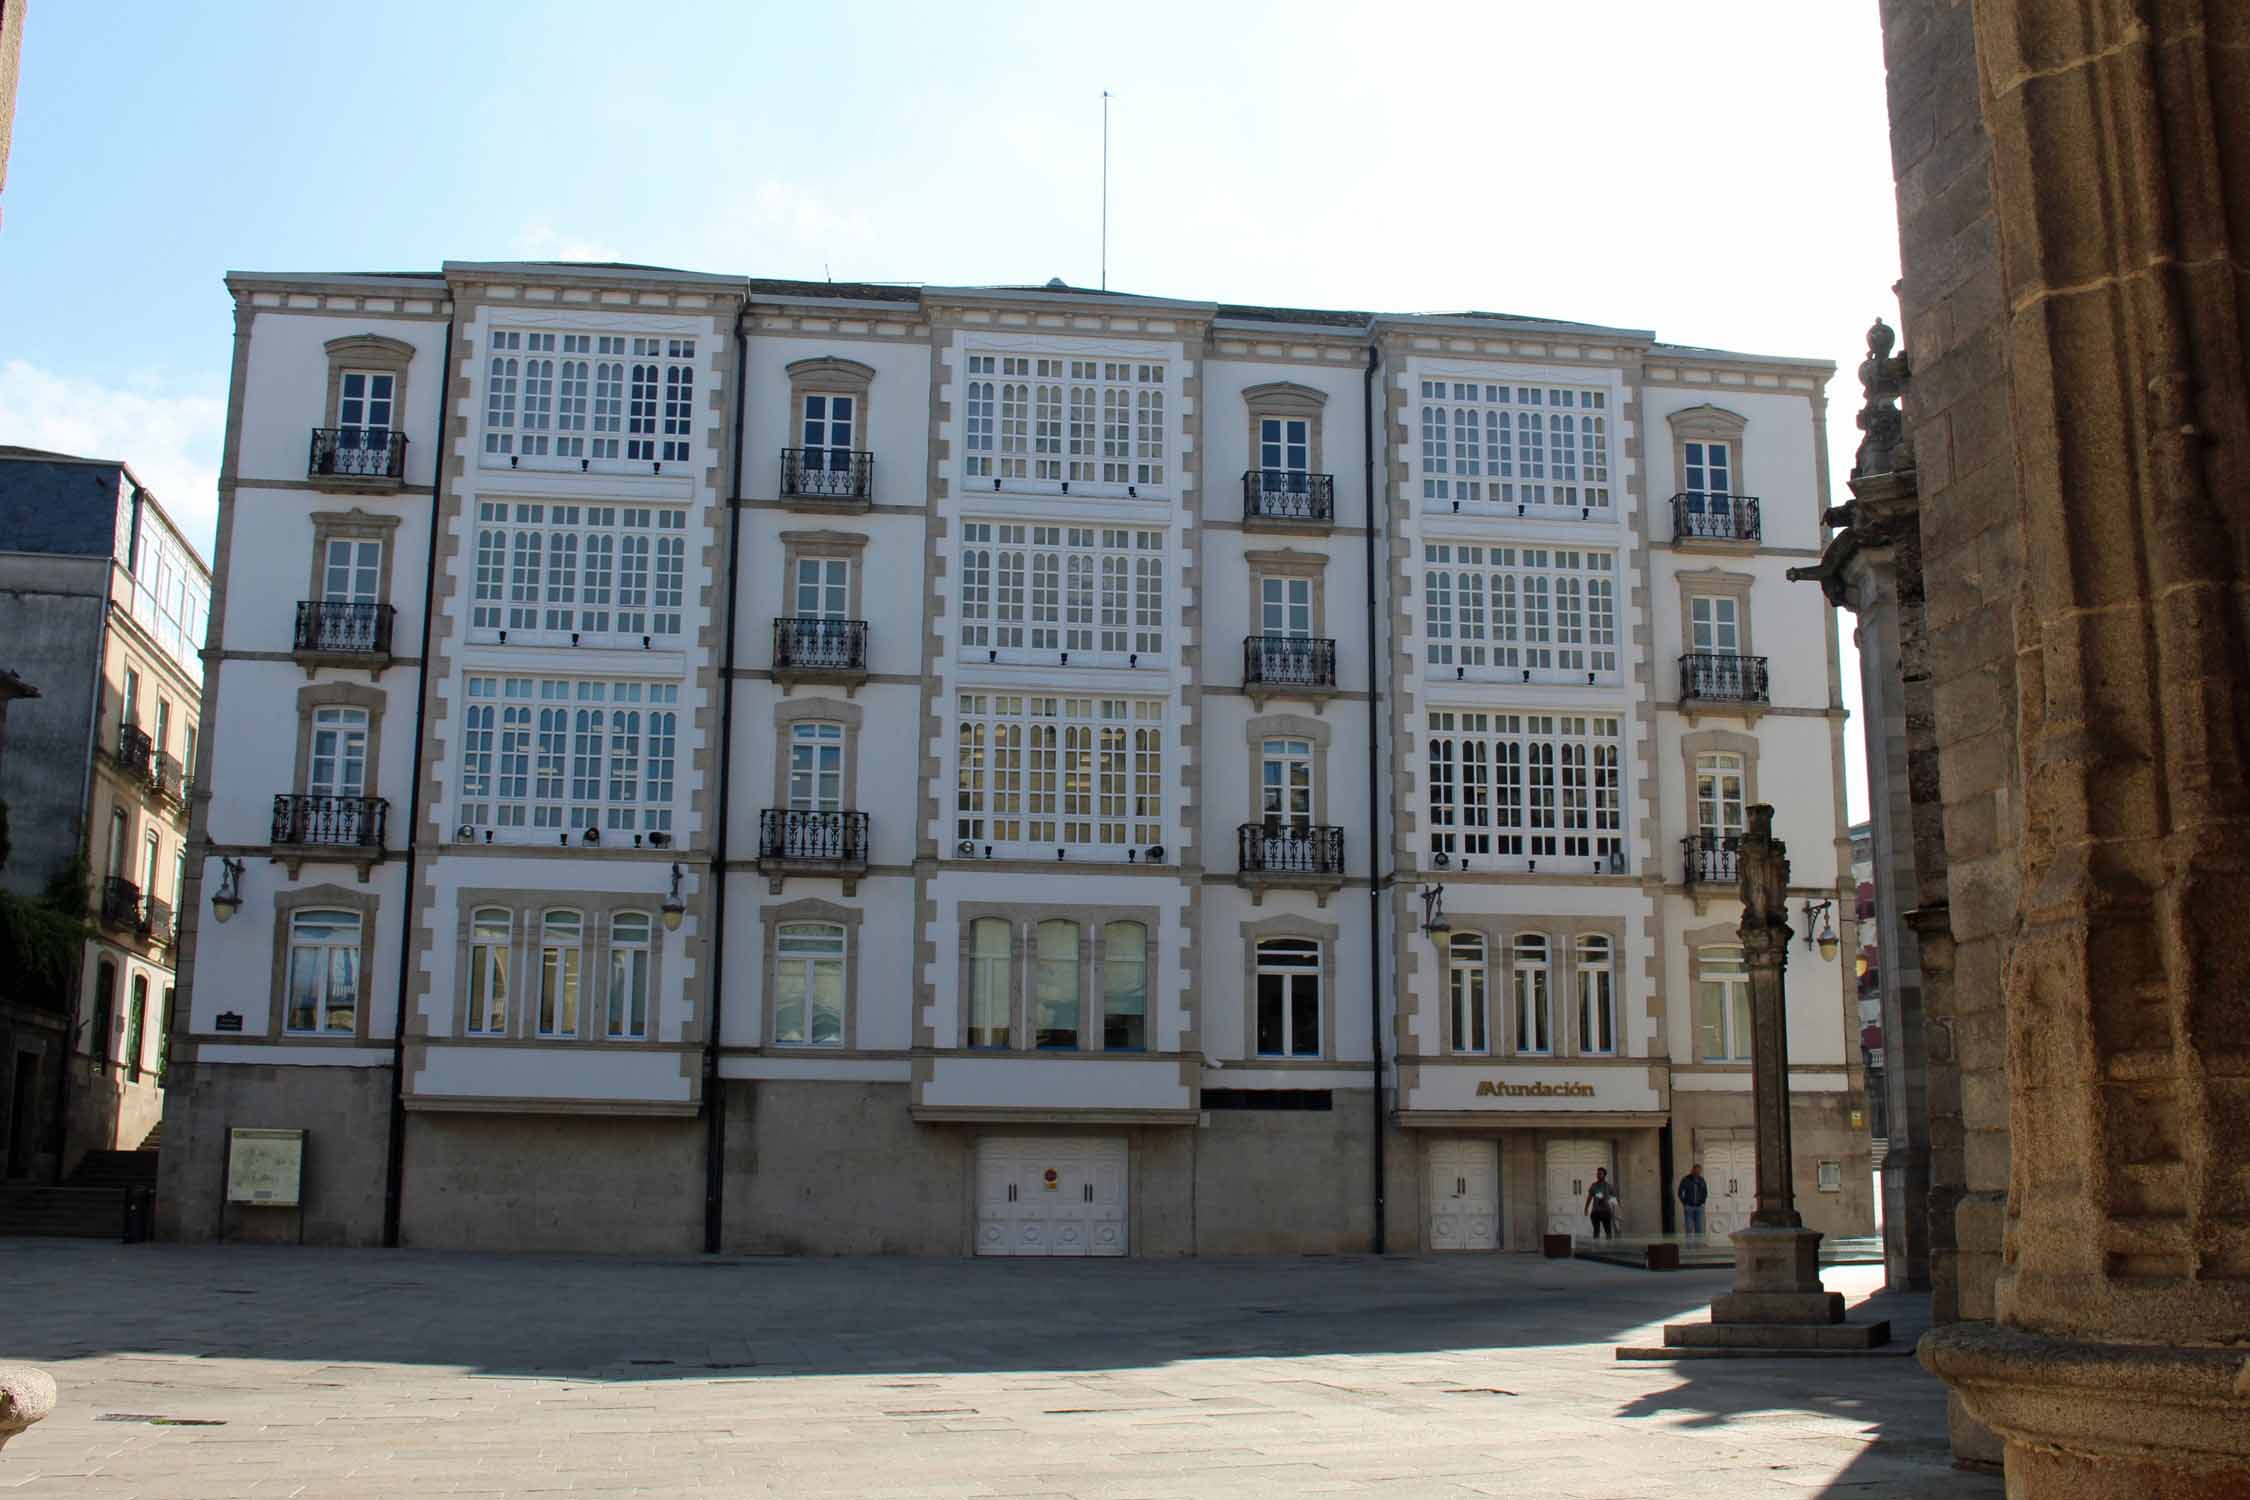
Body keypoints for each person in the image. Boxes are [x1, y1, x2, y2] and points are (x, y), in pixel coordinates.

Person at [1584, 1166, 1620, 1239]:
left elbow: (1614, 1200)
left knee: (1608, 1231)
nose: (1598, 1175)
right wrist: (1586, 1208)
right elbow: (1589, 1198)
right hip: (1596, 1211)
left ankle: (1609, 1248)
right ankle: (1596, 1248)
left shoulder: (1609, 1186)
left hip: (1606, 1211)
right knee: (1596, 1231)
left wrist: (1617, 1213)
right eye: (1597, 1174)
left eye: (1600, 1174)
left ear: (1604, 1175)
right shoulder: (1593, 1186)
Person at [1678, 1162, 1709, 1239]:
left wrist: (1702, 1202)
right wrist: (1684, 1203)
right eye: (1695, 1171)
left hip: (1699, 1207)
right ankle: (1689, 1247)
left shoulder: (1702, 1180)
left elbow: (1705, 1192)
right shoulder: (1686, 1179)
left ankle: (1698, 1247)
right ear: (1692, 1170)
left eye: (1699, 1172)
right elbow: (1680, 1192)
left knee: (1699, 1229)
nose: (1697, 1173)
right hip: (1689, 1207)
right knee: (1689, 1228)